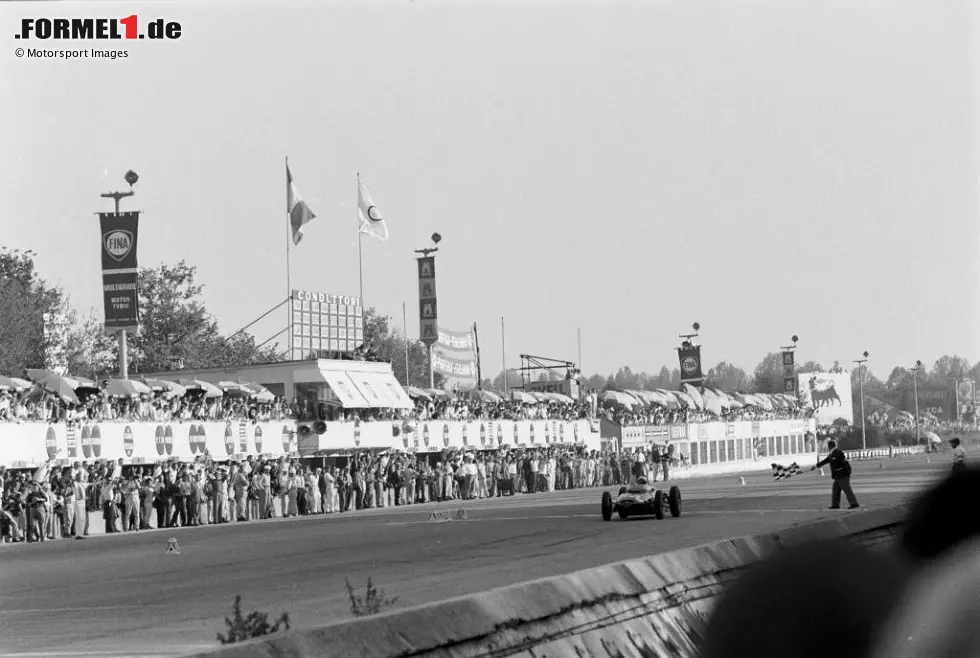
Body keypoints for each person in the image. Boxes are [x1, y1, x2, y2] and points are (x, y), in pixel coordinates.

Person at [812, 440, 859, 509]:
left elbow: (843, 463)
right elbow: (825, 461)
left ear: (829, 446)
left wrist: (846, 473)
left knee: (847, 490)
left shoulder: (837, 453)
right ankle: (835, 505)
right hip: (838, 476)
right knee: (835, 490)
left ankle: (854, 503)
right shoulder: (832, 453)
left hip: (842, 475)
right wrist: (816, 466)